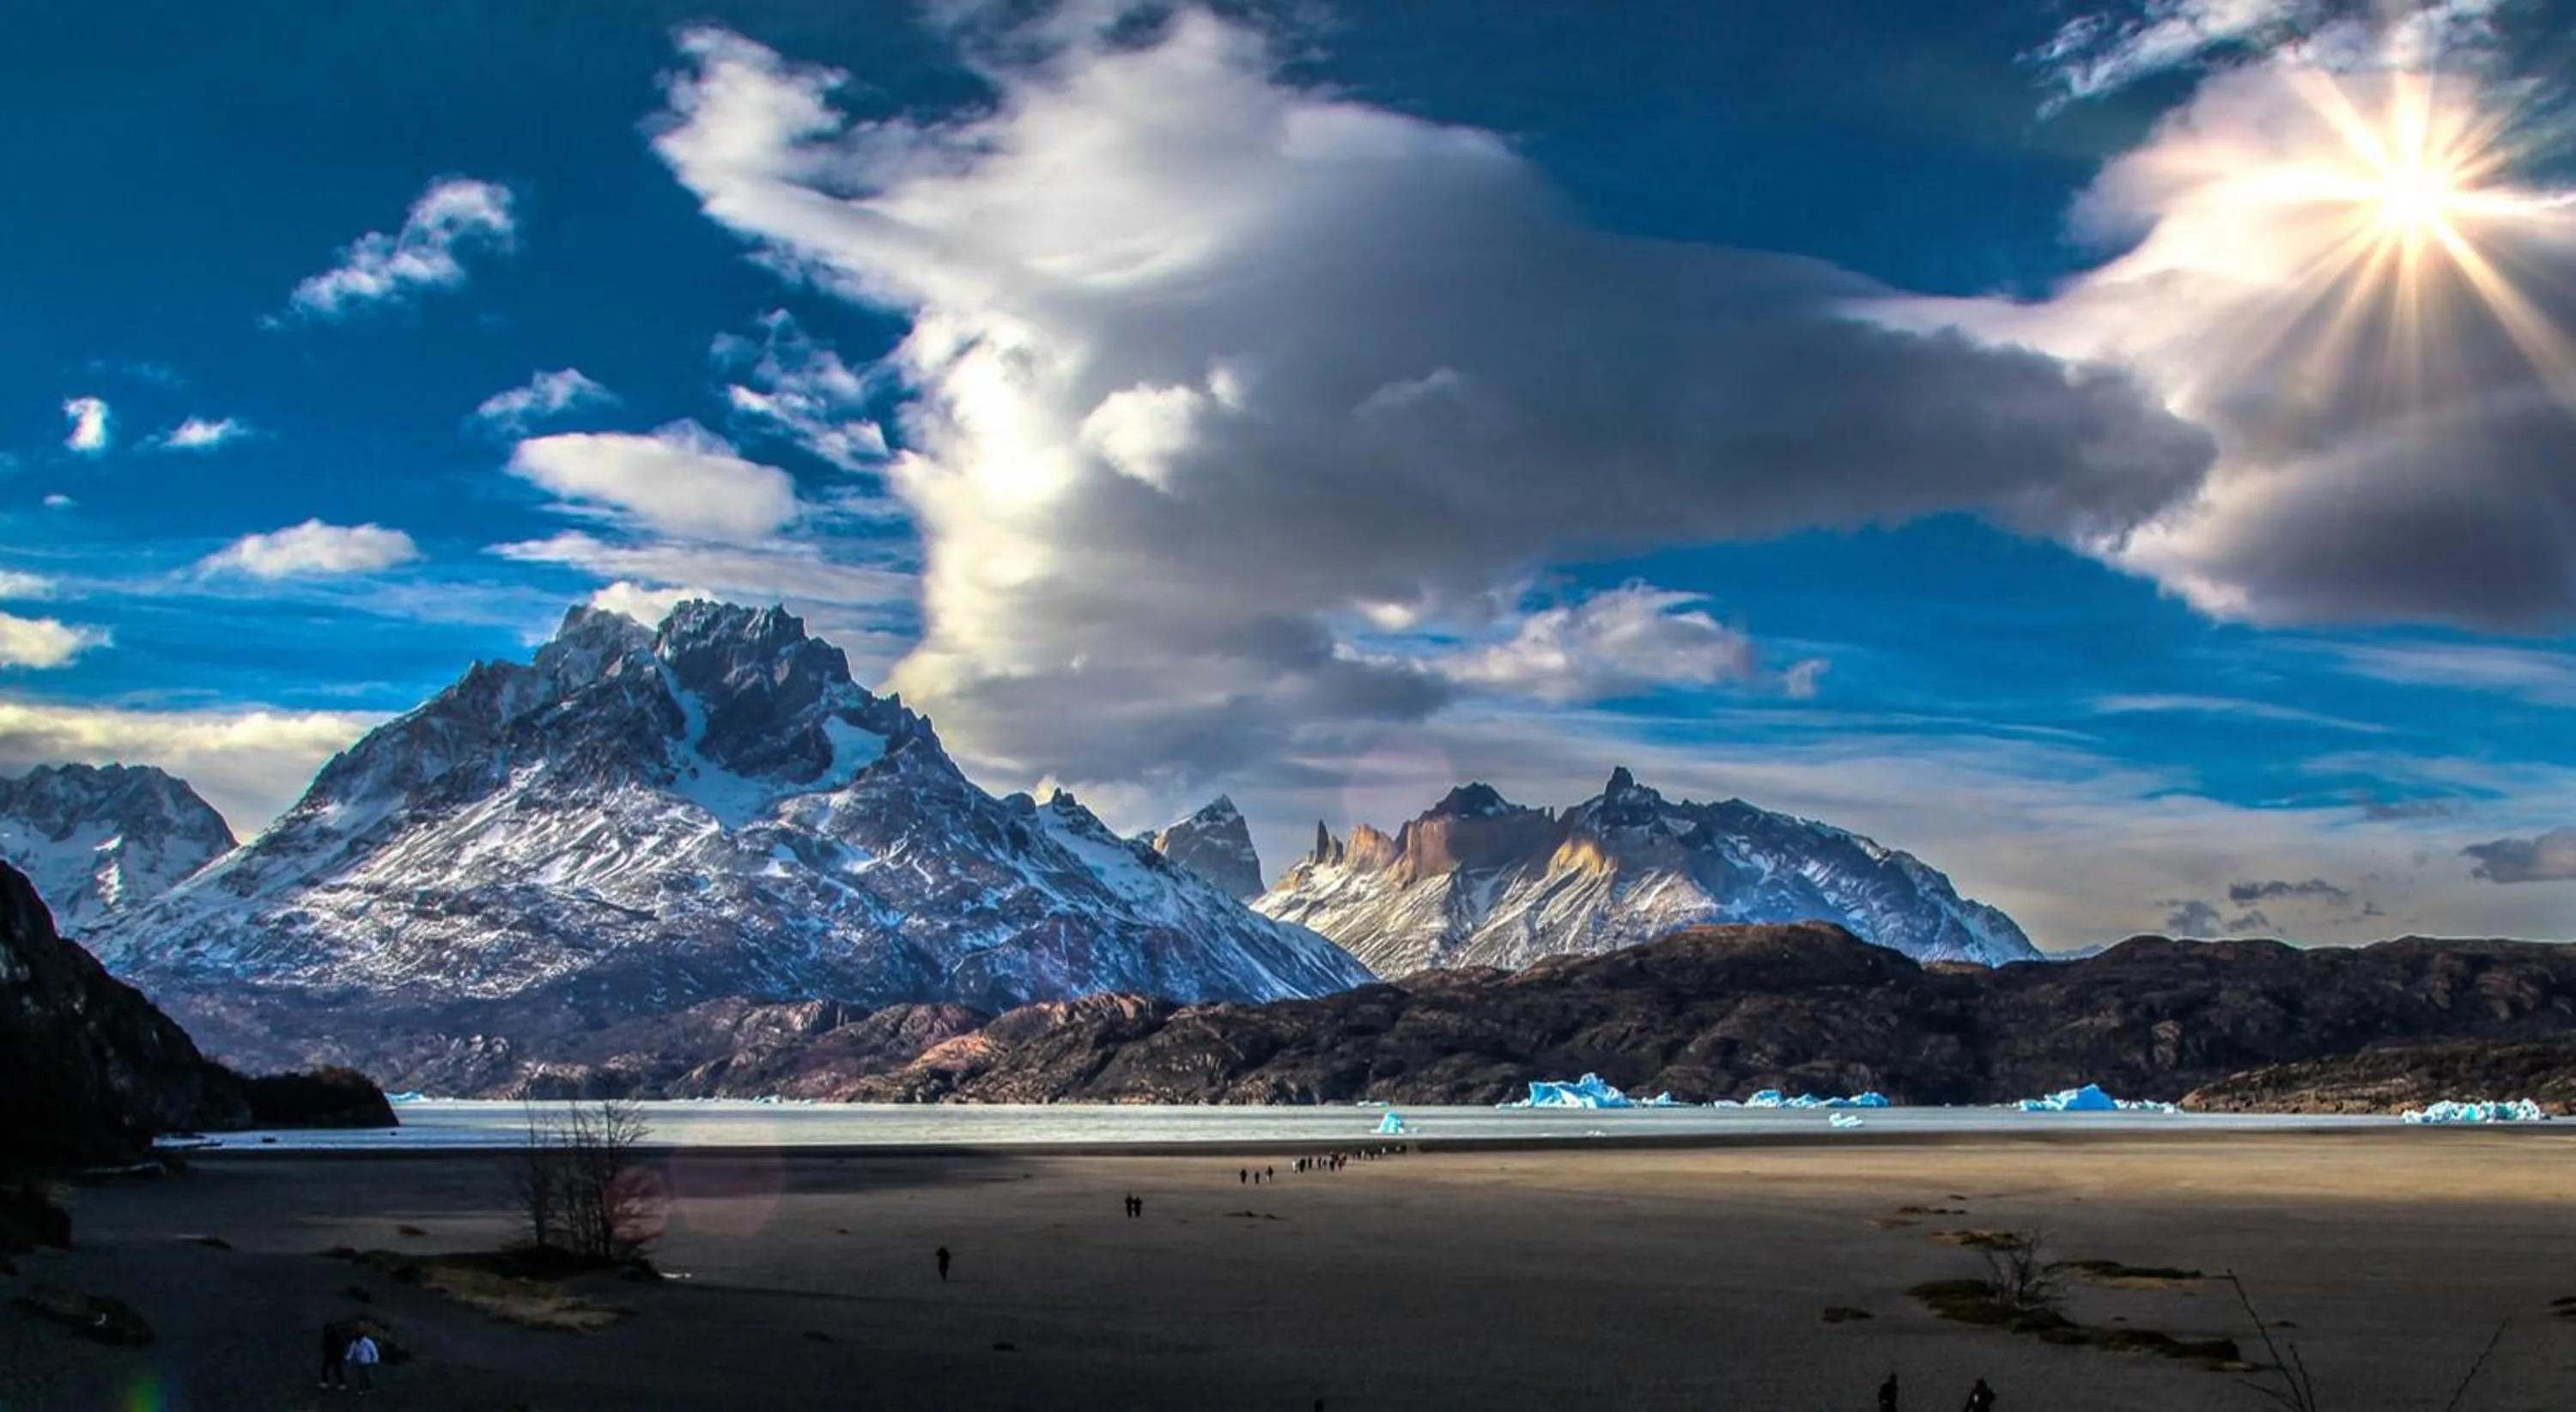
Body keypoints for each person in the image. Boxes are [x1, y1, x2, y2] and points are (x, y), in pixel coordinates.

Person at [344, 1329, 380, 1395]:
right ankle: (368, 1387)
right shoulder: (355, 1342)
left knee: (363, 1375)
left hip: (366, 1361)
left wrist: (375, 1359)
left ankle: (362, 1388)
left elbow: (373, 1351)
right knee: (364, 1375)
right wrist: (347, 1358)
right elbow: (351, 1351)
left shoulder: (367, 1342)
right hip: (360, 1361)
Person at [318, 1318, 349, 1389]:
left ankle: (325, 1382)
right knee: (337, 1369)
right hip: (335, 1354)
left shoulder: (329, 1336)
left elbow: (325, 1345)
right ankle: (341, 1383)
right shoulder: (337, 1336)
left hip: (332, 1354)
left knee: (328, 1368)